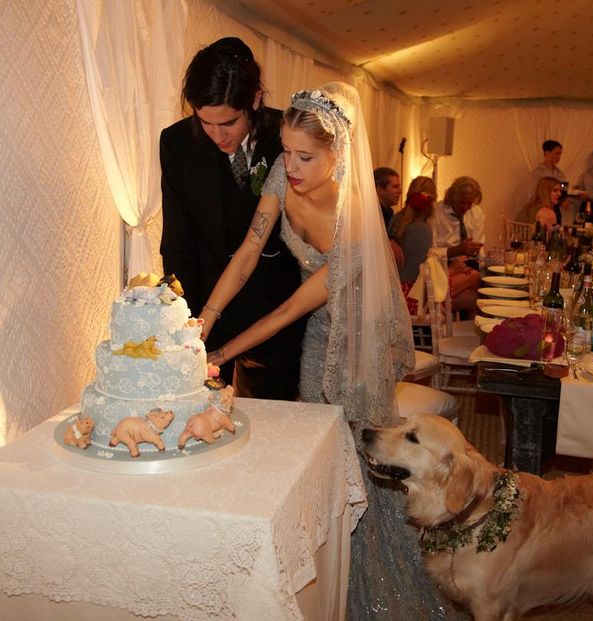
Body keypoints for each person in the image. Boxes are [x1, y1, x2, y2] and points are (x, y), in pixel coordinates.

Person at [200, 82, 459, 618]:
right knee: (321, 456)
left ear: (338, 154)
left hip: (359, 348)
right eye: (287, 151)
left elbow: (289, 309)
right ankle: (329, 575)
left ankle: (373, 589)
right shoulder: (282, 173)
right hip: (321, 333)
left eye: (305, 156)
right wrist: (204, 318)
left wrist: (219, 355)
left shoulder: (356, 222)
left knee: (361, 458)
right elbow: (249, 249)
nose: (290, 166)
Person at [159, 37, 304, 399]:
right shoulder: (177, 143)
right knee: (198, 415)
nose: (216, 135)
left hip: (275, 309)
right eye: (204, 121)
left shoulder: (287, 136)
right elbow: (178, 241)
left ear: (254, 99)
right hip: (206, 302)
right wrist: (187, 320)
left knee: (272, 420)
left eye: (228, 122)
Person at [431, 176, 484, 313]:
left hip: (469, 261)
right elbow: (431, 251)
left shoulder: (476, 212)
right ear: (452, 196)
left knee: (487, 282)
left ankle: (462, 321)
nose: (466, 208)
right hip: (444, 263)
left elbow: (480, 243)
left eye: (469, 203)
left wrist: (475, 250)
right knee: (477, 289)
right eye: (462, 203)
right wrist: (457, 250)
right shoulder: (436, 212)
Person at [388, 176, 436, 314]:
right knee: (470, 281)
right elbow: (420, 274)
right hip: (410, 296)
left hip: (393, 290)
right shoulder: (421, 228)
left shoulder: (396, 218)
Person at [374, 167, 404, 264]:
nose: (400, 191)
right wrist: (388, 240)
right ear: (380, 190)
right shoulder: (372, 215)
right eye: (395, 187)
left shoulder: (389, 213)